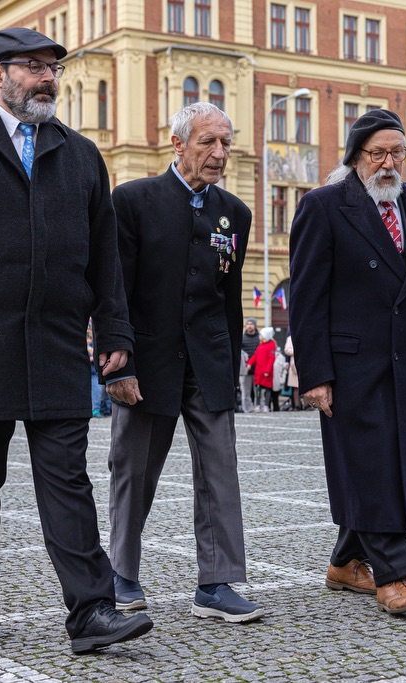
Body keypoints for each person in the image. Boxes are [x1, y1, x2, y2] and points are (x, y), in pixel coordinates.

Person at [0, 27, 152, 653]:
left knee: (68, 481)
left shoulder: (79, 153)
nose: (47, 78)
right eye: (33, 67)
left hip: (57, 344)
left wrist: (115, 330)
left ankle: (92, 612)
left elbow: (105, 257)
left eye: (53, 68)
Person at [288, 109, 406, 615]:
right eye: (378, 154)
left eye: (397, 152)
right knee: (371, 465)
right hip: (352, 366)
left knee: (394, 466)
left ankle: (346, 562)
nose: (389, 162)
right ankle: (393, 576)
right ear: (357, 158)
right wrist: (316, 374)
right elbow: (307, 300)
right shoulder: (325, 207)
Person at [104, 100, 263, 624]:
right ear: (177, 144)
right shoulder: (132, 201)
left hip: (210, 360)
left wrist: (235, 359)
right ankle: (122, 575)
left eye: (225, 143)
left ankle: (216, 584)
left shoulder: (234, 213)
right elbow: (113, 289)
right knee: (135, 468)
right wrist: (117, 362)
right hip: (147, 360)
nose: (219, 154)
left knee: (220, 469)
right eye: (207, 142)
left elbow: (231, 295)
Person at [248, 327, 278, 412]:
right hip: (259, 371)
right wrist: (249, 363)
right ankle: (257, 405)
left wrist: (267, 371)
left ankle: (266, 405)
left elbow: (271, 359)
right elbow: (255, 356)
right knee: (258, 389)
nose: (259, 336)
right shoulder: (260, 345)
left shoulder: (271, 345)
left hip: (266, 372)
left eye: (261, 335)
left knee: (267, 389)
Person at [240, 318, 260, 412]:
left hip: (258, 369)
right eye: (247, 324)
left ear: (255, 325)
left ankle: (258, 407)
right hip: (246, 369)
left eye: (251, 324)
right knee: (246, 392)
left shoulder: (260, 337)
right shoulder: (242, 338)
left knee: (258, 391)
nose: (249, 326)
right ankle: (247, 409)